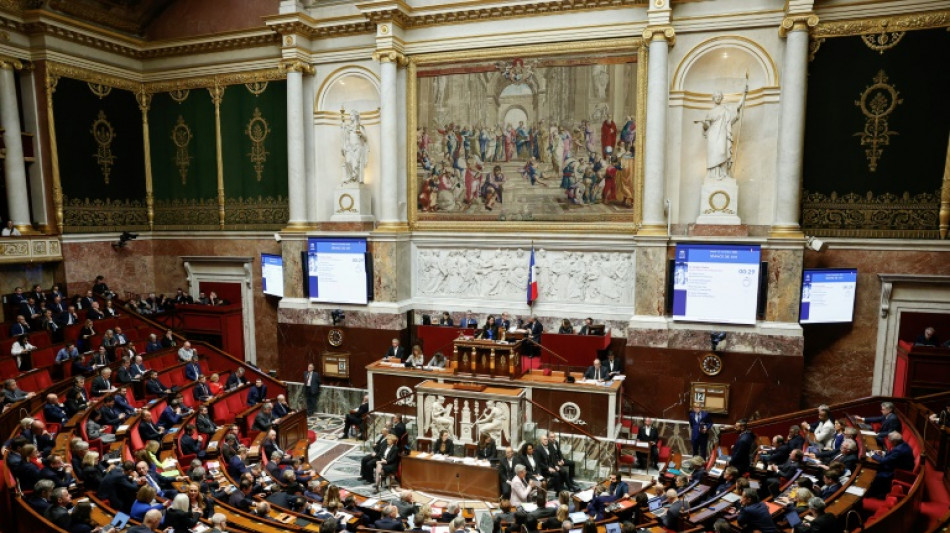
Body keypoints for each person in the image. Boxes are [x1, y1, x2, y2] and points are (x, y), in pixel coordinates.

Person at [868, 431, 915, 497]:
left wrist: (873, 455)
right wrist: (883, 453)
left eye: (890, 441)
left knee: (876, 475)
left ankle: (875, 494)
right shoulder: (903, 444)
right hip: (896, 465)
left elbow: (883, 461)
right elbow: (892, 455)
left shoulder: (899, 450)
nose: (889, 442)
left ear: (895, 442)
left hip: (898, 472)